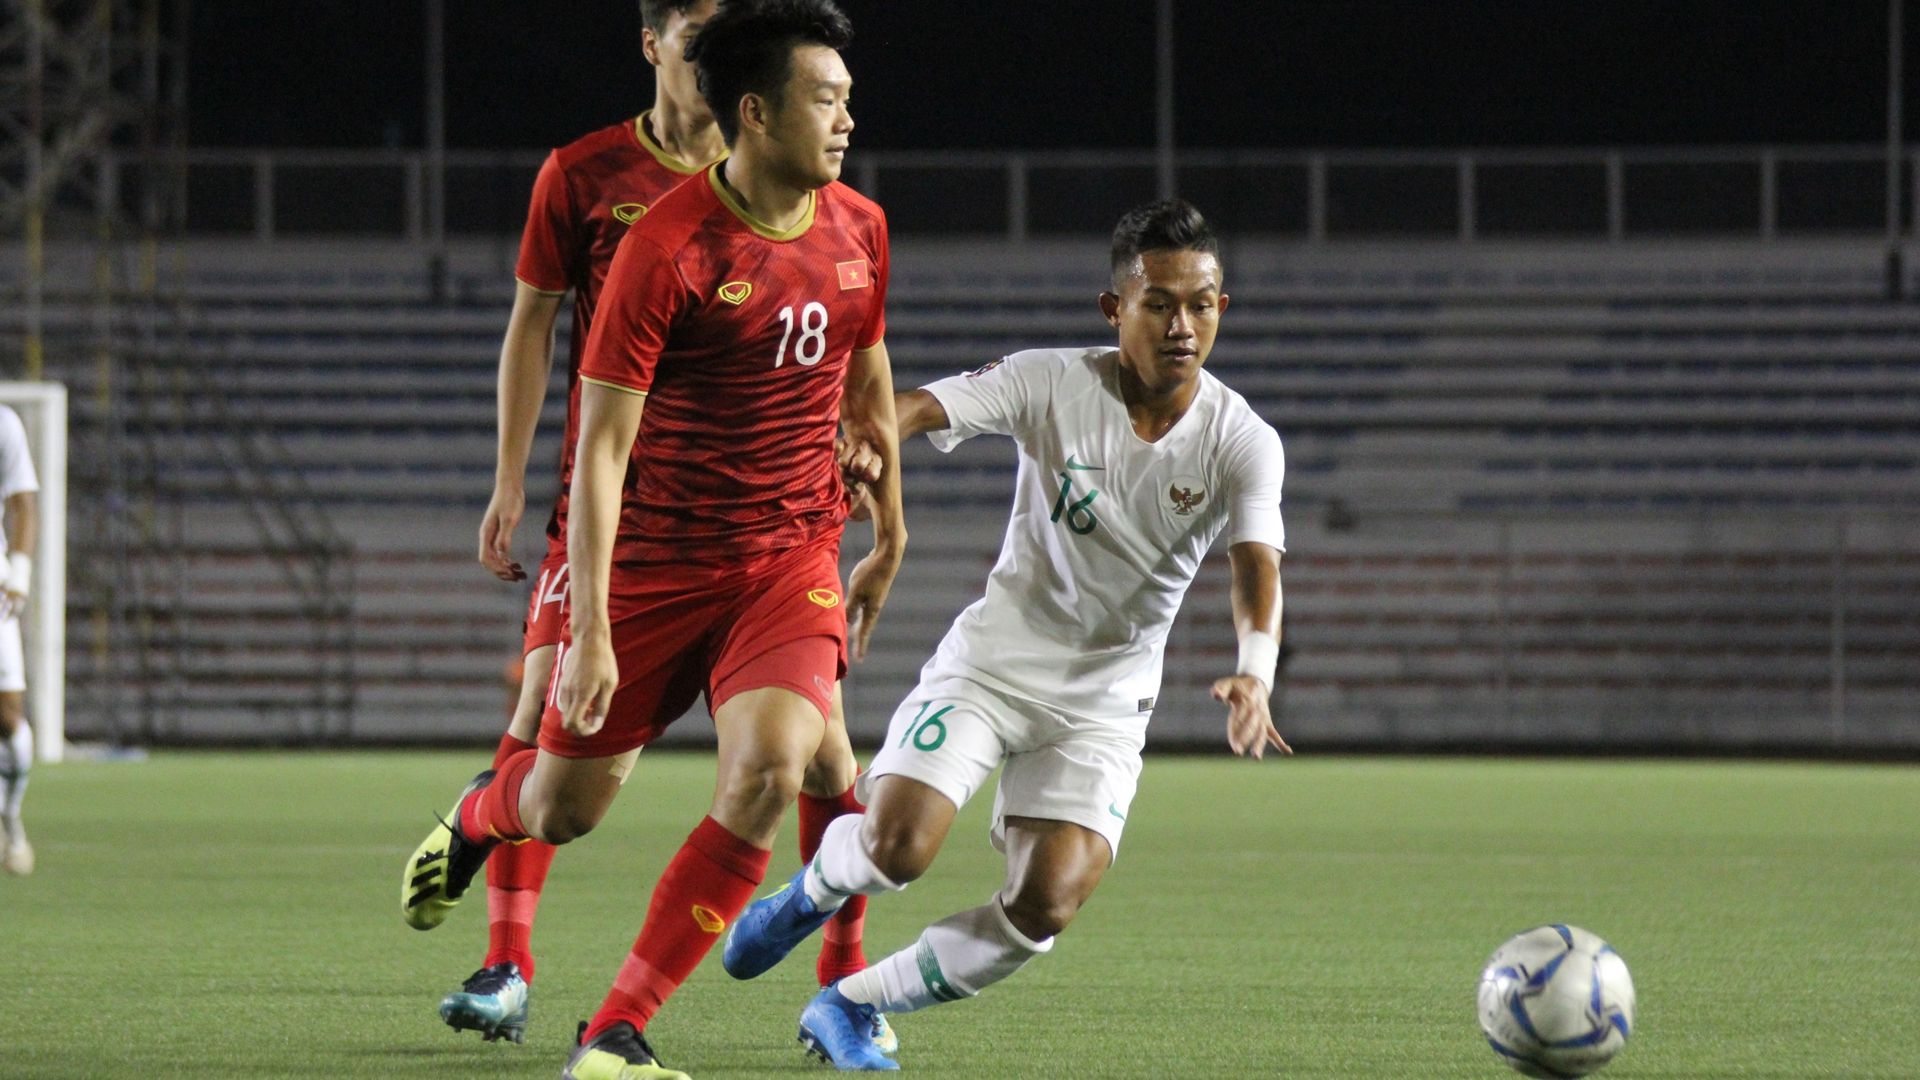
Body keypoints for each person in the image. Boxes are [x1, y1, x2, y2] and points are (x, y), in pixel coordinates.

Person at [401, 2, 904, 1076]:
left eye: (851, 98)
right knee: (560, 806)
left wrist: (887, 518)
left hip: (786, 554)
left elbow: (865, 378)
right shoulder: (663, 245)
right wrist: (588, 627)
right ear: (758, 113)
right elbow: (600, 450)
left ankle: (616, 1031)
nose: (849, 120)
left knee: (782, 764)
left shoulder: (860, 226)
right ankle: (482, 818)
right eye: (829, 99)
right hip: (653, 561)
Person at [721, 199, 1290, 1071]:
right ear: (1115, 309)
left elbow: (1258, 565)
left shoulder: (1242, 440)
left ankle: (848, 1003)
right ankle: (812, 892)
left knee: (1045, 905)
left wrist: (1255, 670)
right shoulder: (1050, 380)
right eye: (1161, 303)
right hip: (992, 667)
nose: (1184, 325)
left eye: (1203, 303)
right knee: (896, 849)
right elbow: (917, 406)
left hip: (1104, 702)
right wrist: (863, 438)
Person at [0, 404, 36, 878]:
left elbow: (23, 500)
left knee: (8, 716)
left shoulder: (3, 423)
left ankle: (9, 820)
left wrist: (21, 573)